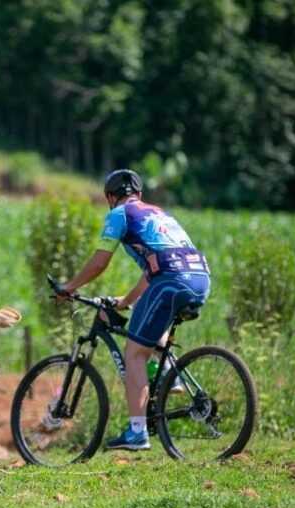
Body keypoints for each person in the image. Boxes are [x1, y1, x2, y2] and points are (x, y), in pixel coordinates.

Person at [57, 169, 210, 450]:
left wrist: (70, 286)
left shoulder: (119, 215)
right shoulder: (160, 214)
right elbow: (153, 269)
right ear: (139, 195)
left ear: (110, 197)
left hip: (171, 280)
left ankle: (137, 432)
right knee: (147, 316)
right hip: (199, 278)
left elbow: (99, 263)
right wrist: (125, 301)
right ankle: (167, 373)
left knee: (134, 352)